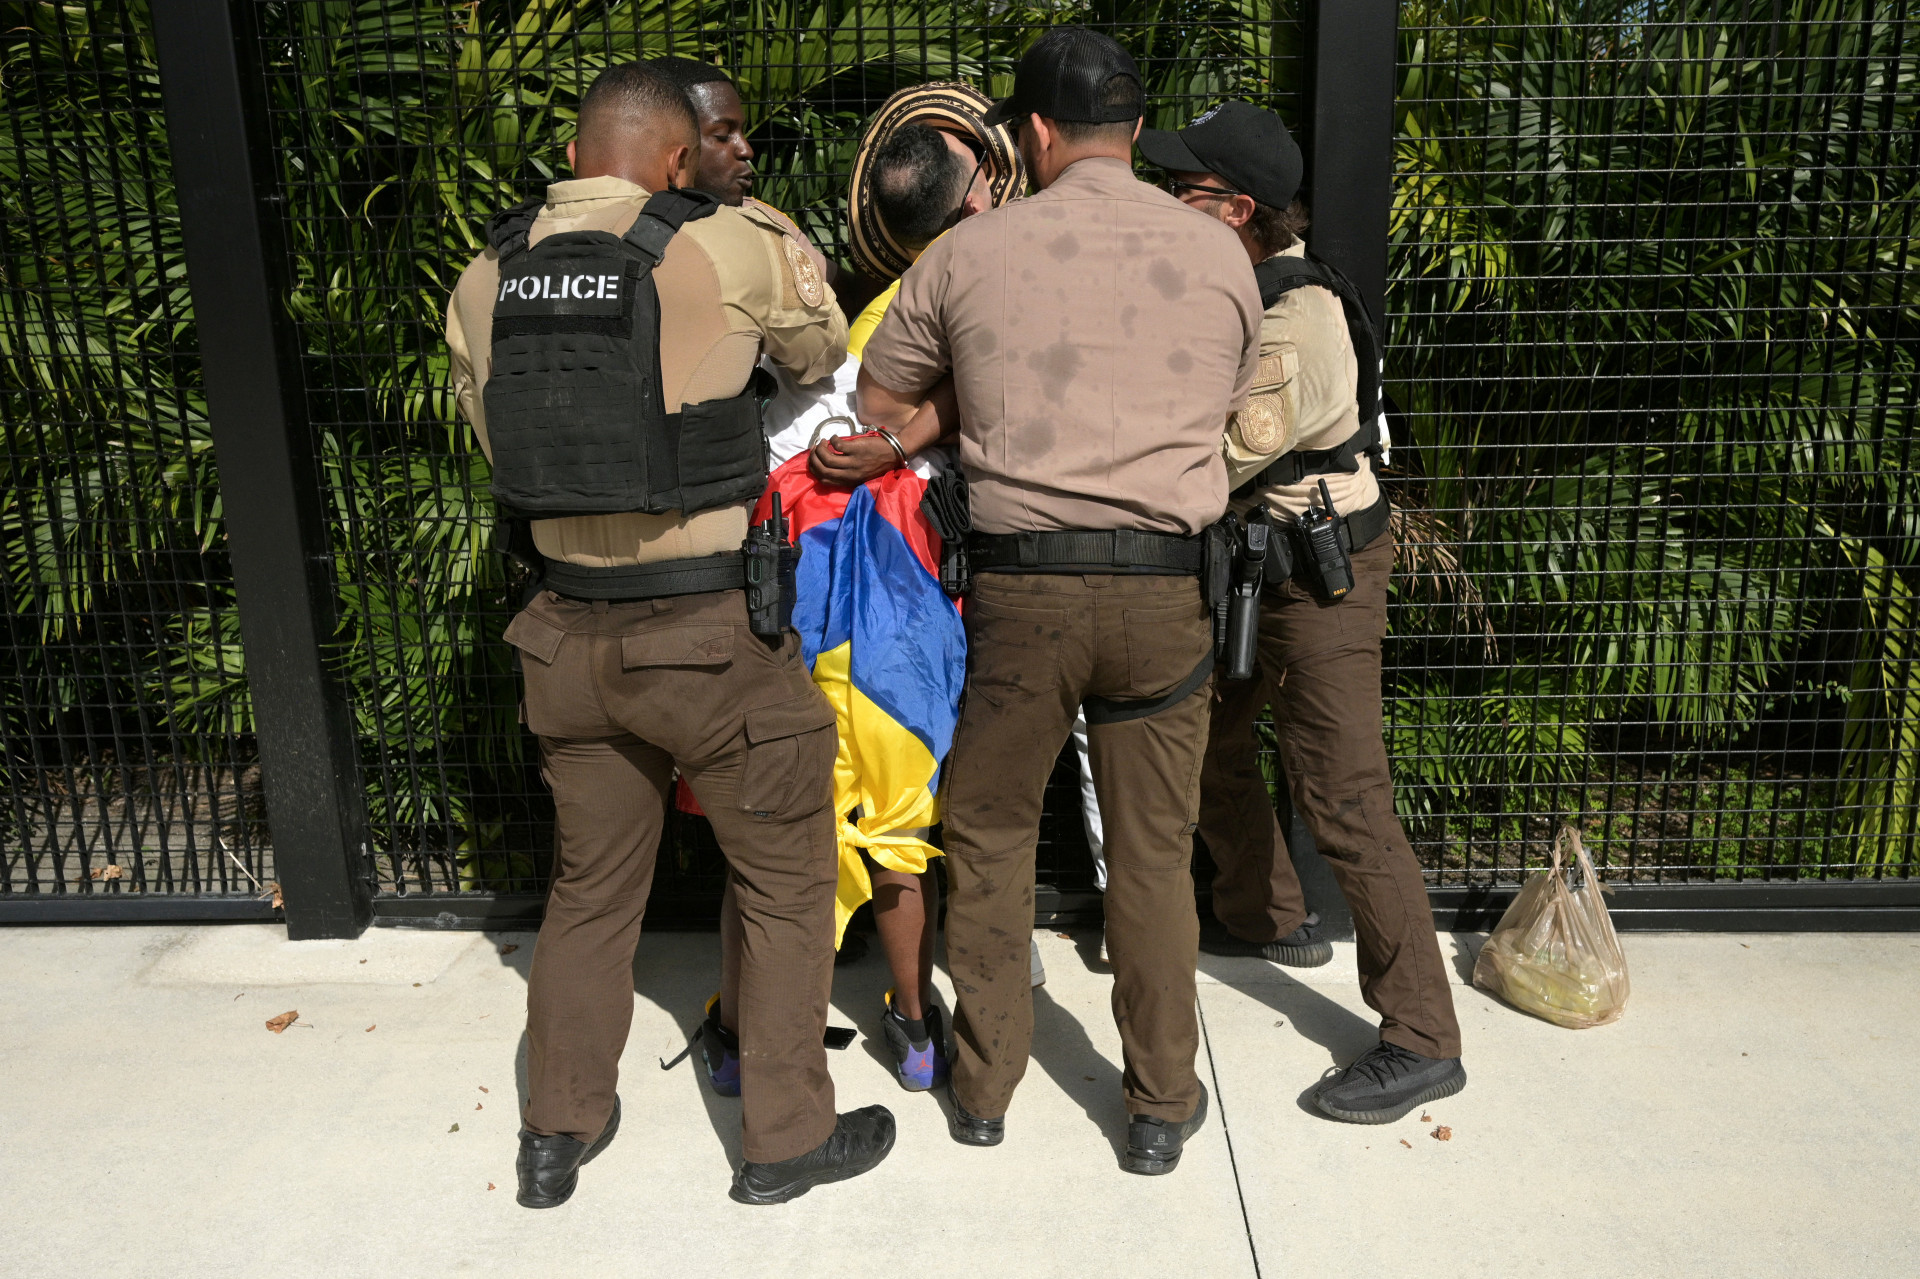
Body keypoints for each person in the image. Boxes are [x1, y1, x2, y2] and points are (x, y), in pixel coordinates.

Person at [443, 63, 894, 1206]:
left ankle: (555, 1134)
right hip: (707, 634)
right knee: (788, 880)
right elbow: (818, 353)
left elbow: (498, 445)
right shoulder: (722, 241)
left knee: (591, 892)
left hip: (563, 634)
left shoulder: (487, 272)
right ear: (677, 155)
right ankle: (787, 1139)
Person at [855, 27, 1263, 1175]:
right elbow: (1230, 403)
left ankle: (983, 1090)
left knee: (984, 832)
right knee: (1150, 849)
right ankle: (1160, 1104)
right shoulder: (1220, 253)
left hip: (1025, 597)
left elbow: (883, 399)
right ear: (1133, 130)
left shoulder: (968, 256)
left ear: (1033, 133)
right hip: (1167, 596)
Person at [1138, 100, 1466, 1123]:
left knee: (1347, 795)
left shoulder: (1293, 315)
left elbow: (1219, 455)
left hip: (1319, 582)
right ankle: (1263, 911)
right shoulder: (1233, 283)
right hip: (1253, 565)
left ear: (1238, 208)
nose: (1159, 200)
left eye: (1181, 190)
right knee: (1211, 740)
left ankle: (1421, 1035)